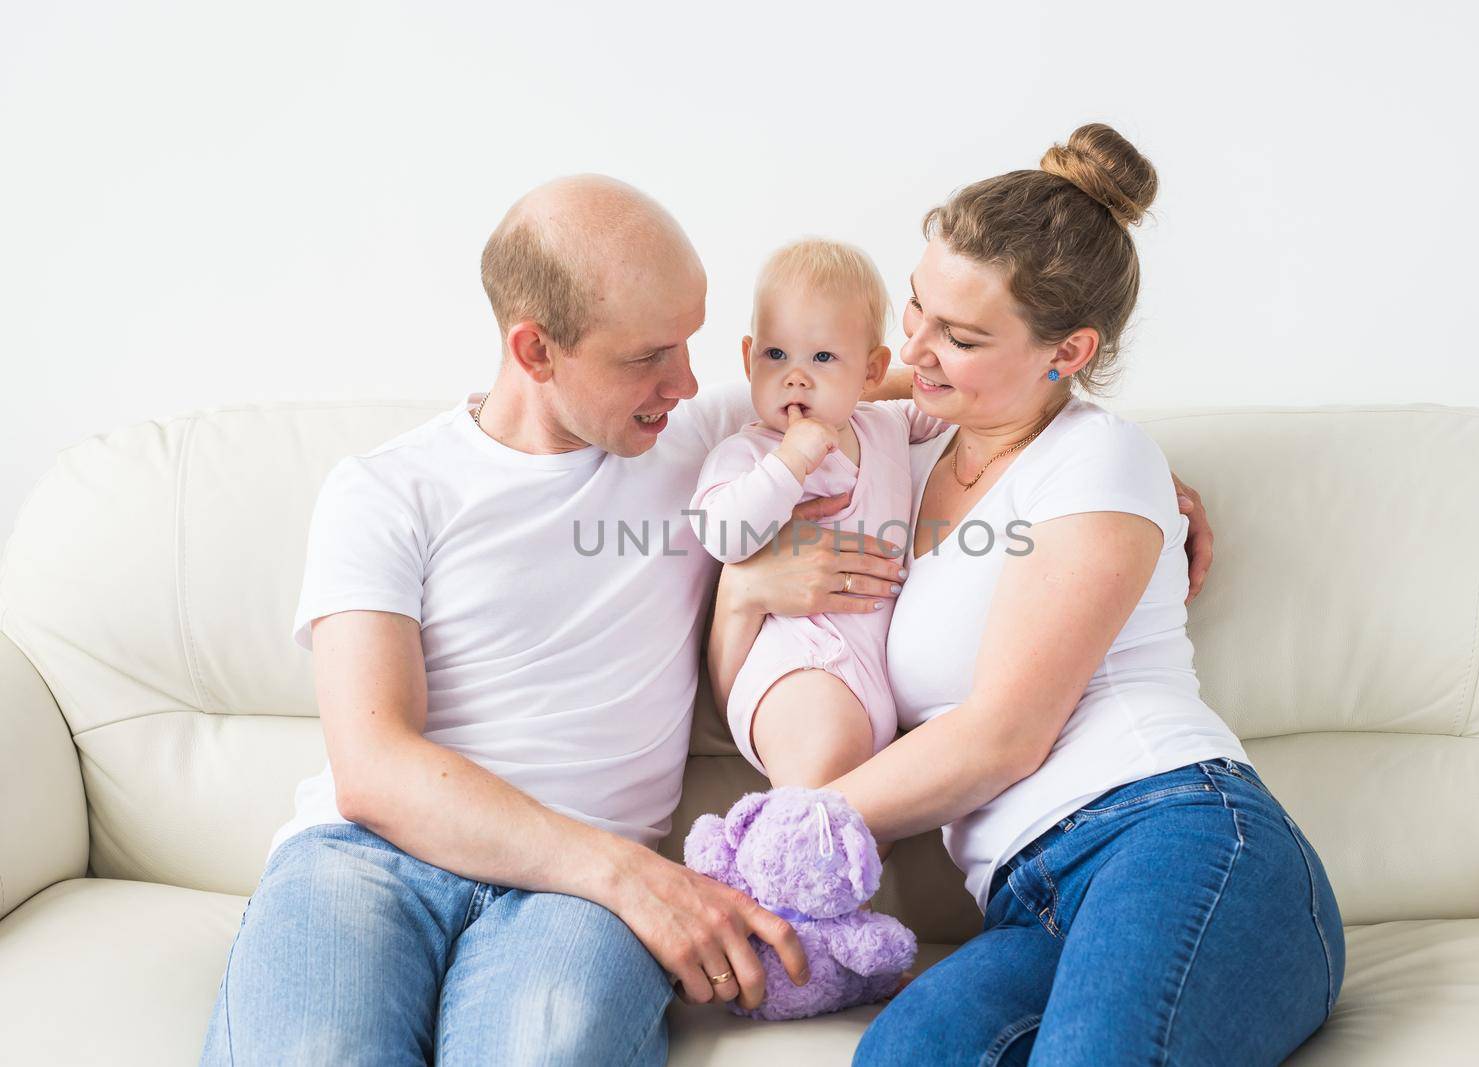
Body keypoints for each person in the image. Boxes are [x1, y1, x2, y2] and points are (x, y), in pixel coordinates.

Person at [197, 171, 1218, 1066]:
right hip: (375, 857)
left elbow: (885, 377)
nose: (691, 385)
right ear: (534, 349)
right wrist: (635, 878)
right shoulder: (386, 491)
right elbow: (374, 764)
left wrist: (1091, 458)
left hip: (577, 903)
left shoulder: (698, 434)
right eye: (651, 356)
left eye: (694, 346)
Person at [717, 124, 1345, 1066]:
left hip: (1175, 835)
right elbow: (779, 377)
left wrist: (784, 841)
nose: (914, 350)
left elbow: (1004, 735)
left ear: (1069, 350)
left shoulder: (1100, 457)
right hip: (1028, 902)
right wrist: (744, 583)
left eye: (960, 338)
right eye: (917, 307)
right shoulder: (900, 446)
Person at [691, 238, 948, 789]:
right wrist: (792, 460)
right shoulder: (748, 453)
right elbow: (724, 536)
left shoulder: (887, 425)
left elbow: (971, 412)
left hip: (872, 678)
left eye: (824, 358)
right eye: (775, 355)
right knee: (820, 765)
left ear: (873, 370)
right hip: (794, 661)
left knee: (863, 815)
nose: (796, 376)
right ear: (747, 358)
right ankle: (776, 851)